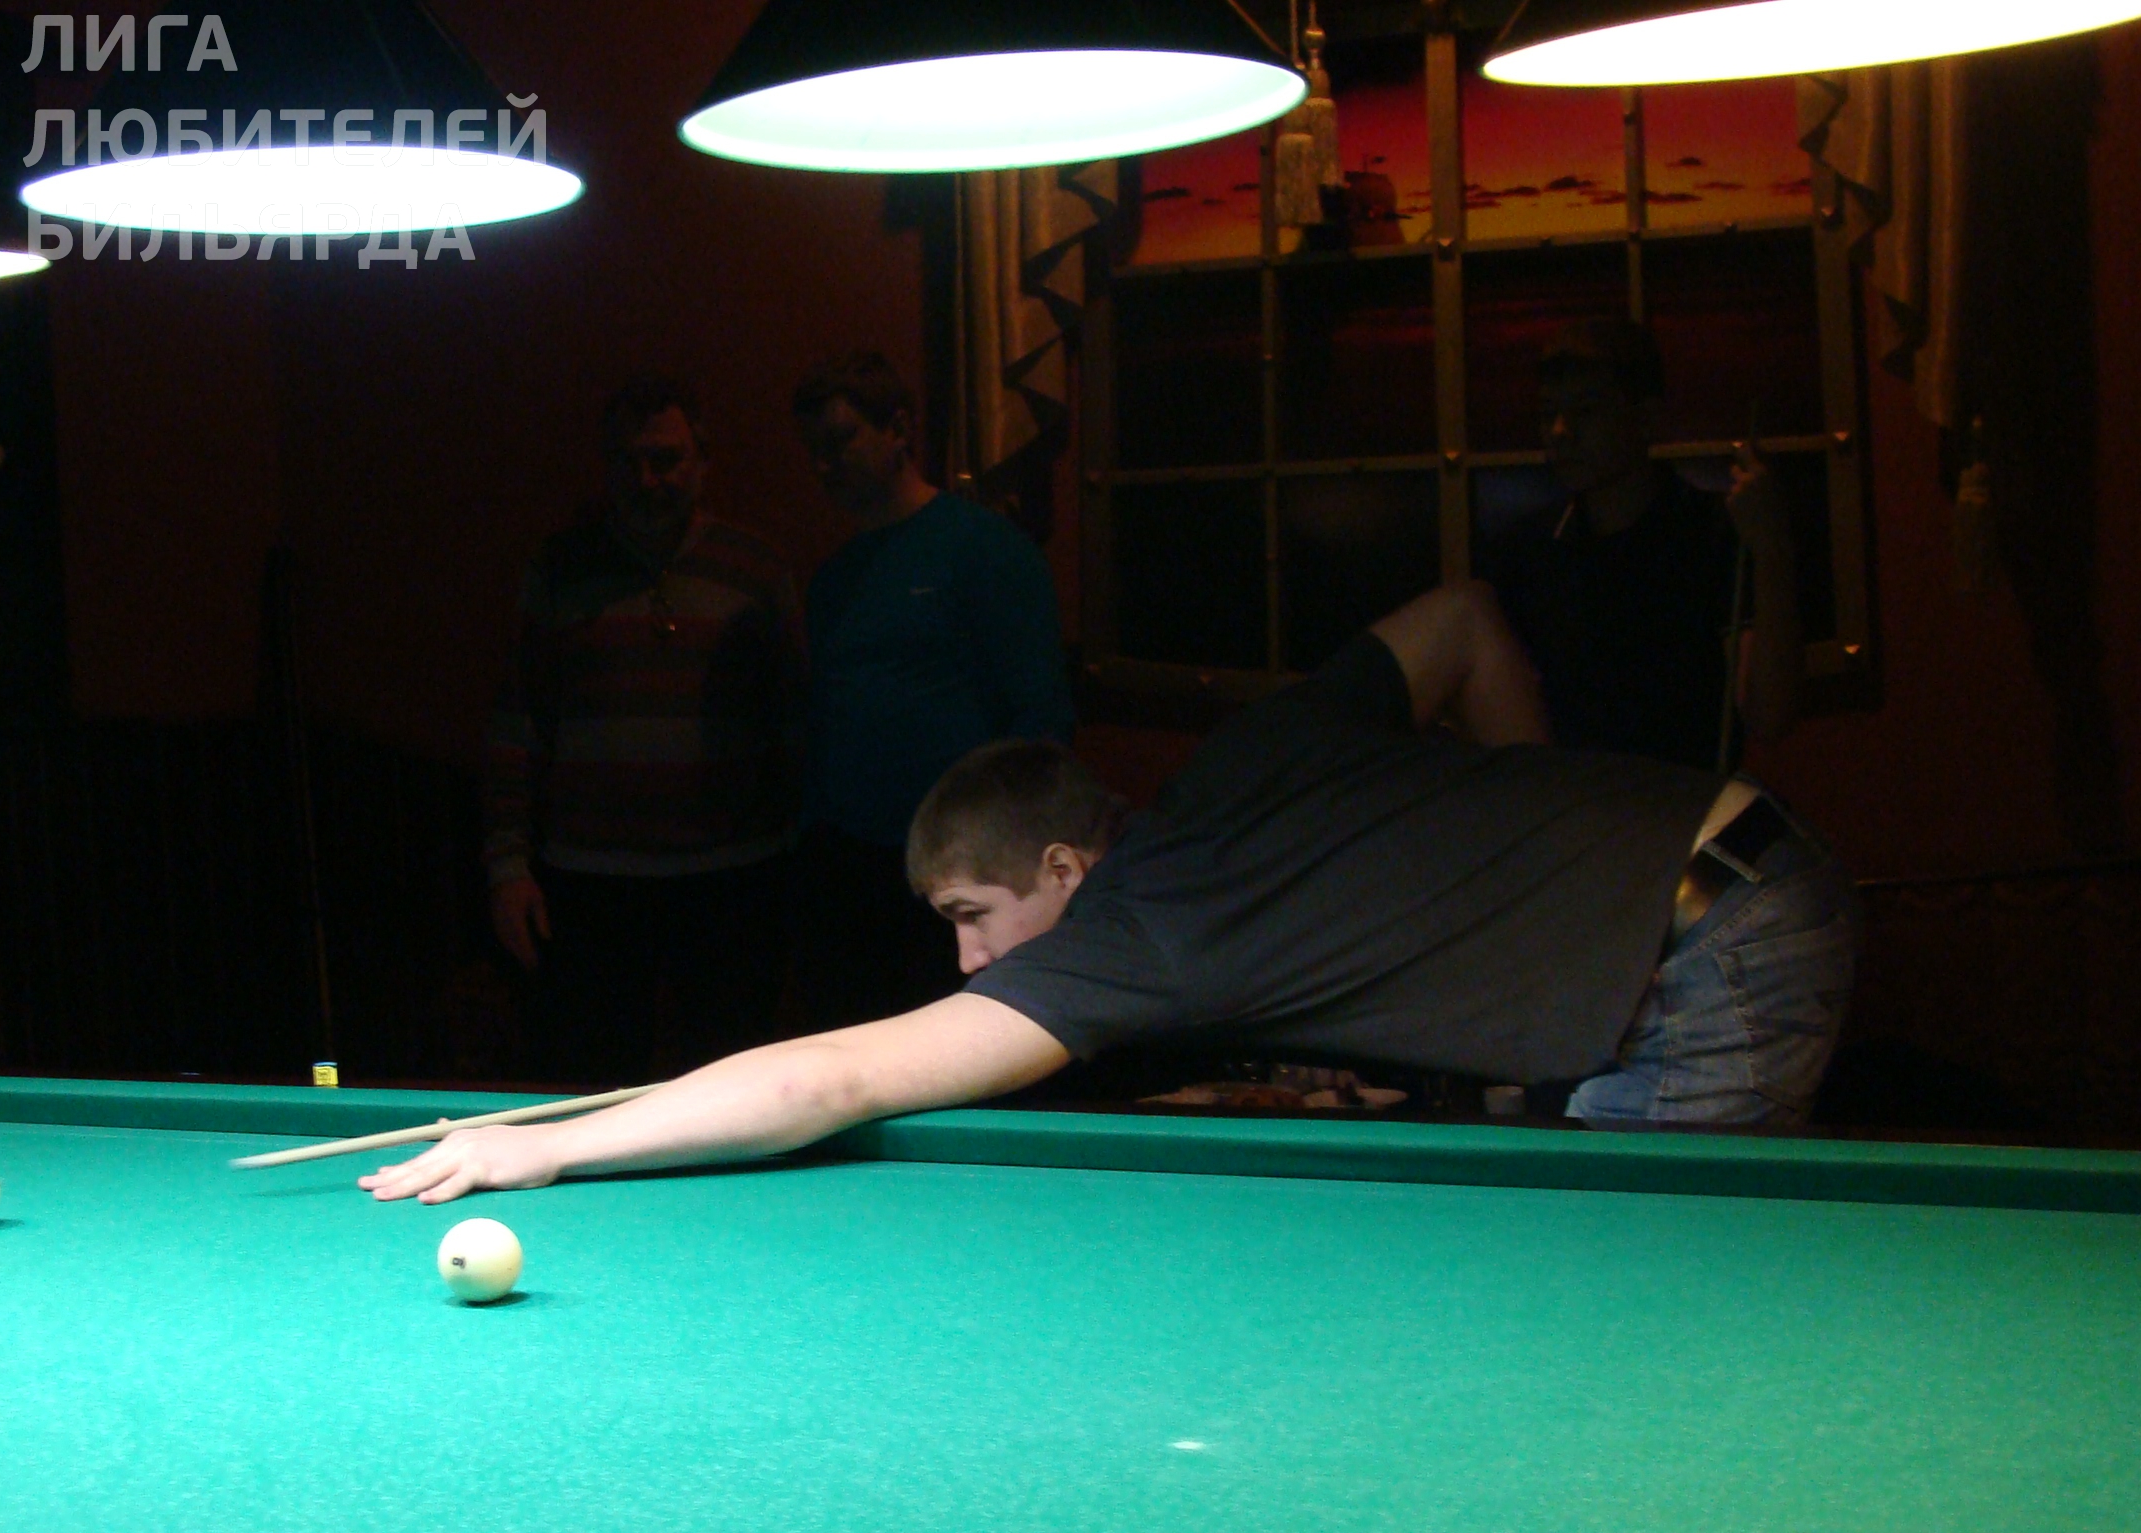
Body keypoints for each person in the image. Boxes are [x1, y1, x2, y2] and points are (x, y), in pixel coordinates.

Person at [365, 585, 1859, 1206]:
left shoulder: (1138, 934)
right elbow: (1464, 620)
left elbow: (837, 1074)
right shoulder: (1252, 749)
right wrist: (1532, 849)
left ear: (1065, 870)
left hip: (1722, 938)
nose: (971, 966)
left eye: (972, 917)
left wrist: (548, 1147)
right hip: (1731, 856)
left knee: (1627, 1272)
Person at [482, 376, 803, 1085]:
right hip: (591, 884)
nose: (646, 479)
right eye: (627, 461)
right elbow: (517, 721)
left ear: (703, 461)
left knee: (730, 1087)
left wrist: (796, 866)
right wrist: (508, 868)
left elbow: (794, 723)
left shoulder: (755, 568)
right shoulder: (559, 569)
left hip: (731, 878)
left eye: (665, 459)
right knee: (590, 1085)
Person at [791, 352, 1076, 1026]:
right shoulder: (834, 578)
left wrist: (1011, 854)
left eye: (841, 441)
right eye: (815, 451)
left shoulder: (982, 548)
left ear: (898, 429)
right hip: (854, 865)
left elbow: (1040, 713)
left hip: (963, 865)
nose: (826, 465)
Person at [1483, 317, 1804, 772]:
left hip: (1682, 799)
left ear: (1647, 418)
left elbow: (1769, 717)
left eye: (1586, 410)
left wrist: (1772, 547)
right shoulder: (1529, 550)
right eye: (1546, 412)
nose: (1559, 431)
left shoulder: (1711, 530)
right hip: (1569, 801)